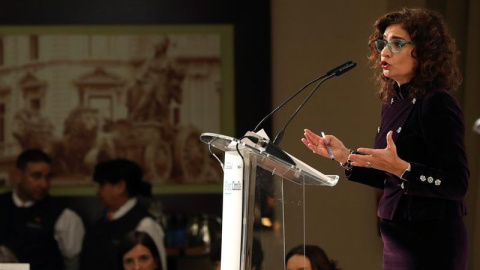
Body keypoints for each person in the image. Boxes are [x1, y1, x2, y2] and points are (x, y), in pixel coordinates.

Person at [301, 8, 469, 270]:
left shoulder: (438, 103)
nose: (385, 52)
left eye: (397, 44)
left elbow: (457, 184)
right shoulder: (392, 102)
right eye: (382, 44)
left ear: (424, 50)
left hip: (430, 242)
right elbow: (385, 175)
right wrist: (344, 156)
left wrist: (402, 168)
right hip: (395, 237)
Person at [0, 149, 85, 270]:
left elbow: (73, 263)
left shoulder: (65, 216)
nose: (44, 184)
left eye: (48, 177)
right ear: (18, 176)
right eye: (36, 176)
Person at [80, 158, 166, 270]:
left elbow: (160, 266)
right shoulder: (100, 223)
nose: (98, 192)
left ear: (120, 186)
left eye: (102, 185)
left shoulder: (145, 224)